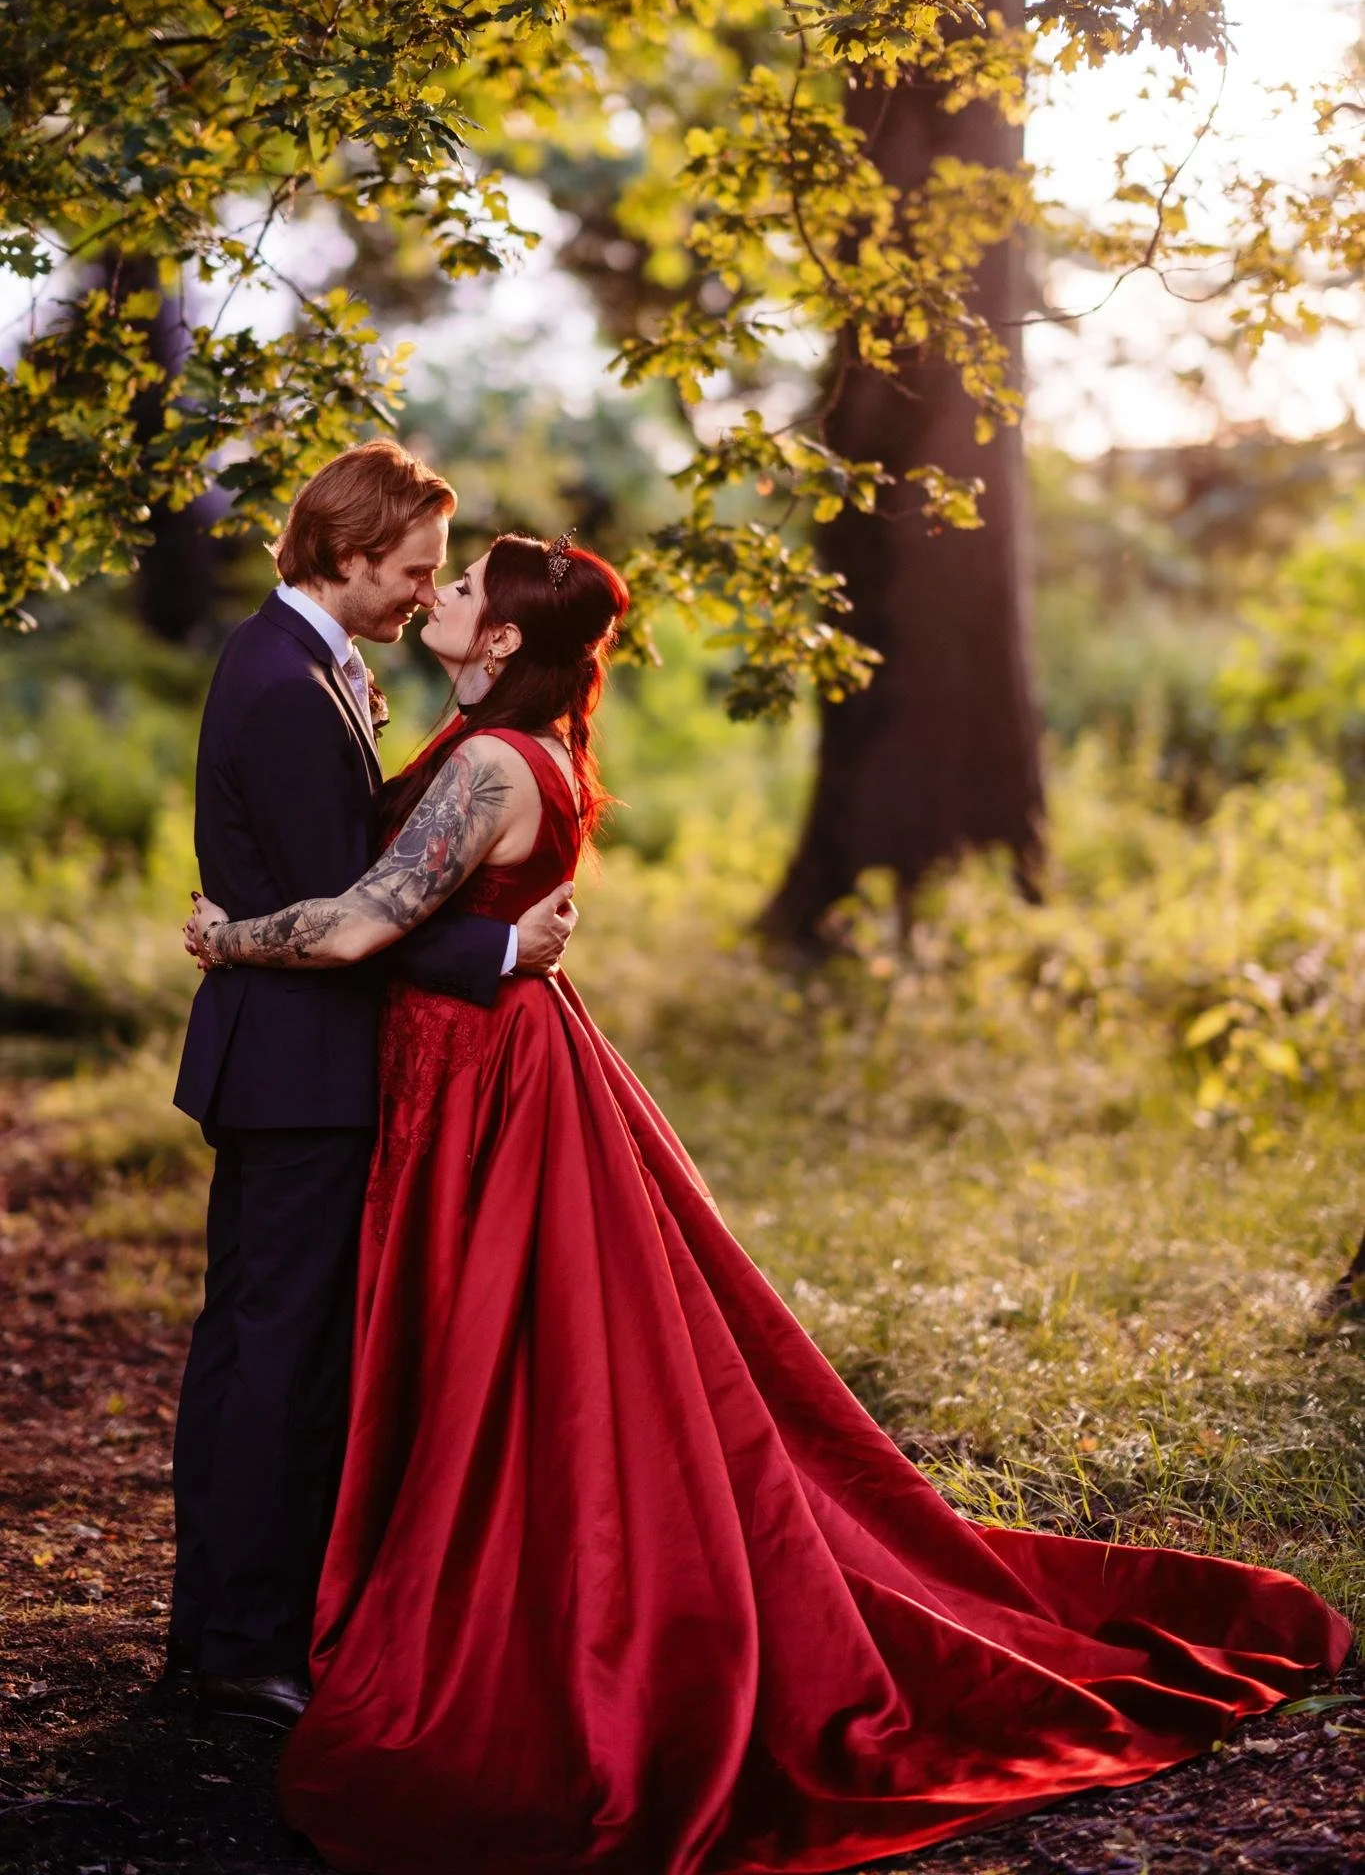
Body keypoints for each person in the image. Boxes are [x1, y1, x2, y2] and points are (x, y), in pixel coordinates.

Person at [185, 531, 1349, 1875]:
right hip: (474, 1069)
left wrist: (226, 935)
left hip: (487, 1090)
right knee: (497, 1364)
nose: (436, 596)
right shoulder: (500, 742)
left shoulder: (500, 762)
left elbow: (349, 929)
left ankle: (514, 1620)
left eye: (461, 589)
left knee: (514, 1371)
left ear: (500, 641)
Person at [169, 445, 577, 1731]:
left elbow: (341, 880)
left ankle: (223, 1627)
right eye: (410, 570)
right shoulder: (288, 687)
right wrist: (507, 947)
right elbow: (350, 911)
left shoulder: (301, 668)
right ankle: (242, 1644)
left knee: (251, 1343)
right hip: (301, 1062)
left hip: (286, 1056)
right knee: (277, 1357)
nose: (422, 591)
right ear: (346, 556)